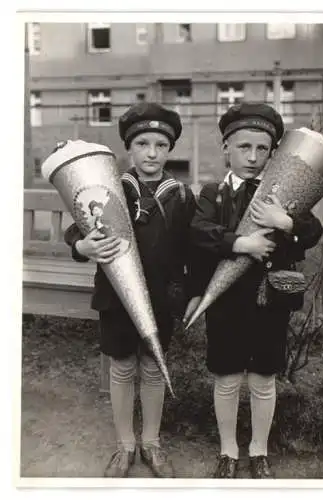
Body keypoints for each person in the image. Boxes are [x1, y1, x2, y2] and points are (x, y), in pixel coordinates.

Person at [185, 103, 323, 479]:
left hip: (268, 301)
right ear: (225, 148)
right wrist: (239, 244)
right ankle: (228, 451)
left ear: (273, 152)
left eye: (263, 149)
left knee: (264, 377)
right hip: (227, 303)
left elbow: (311, 234)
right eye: (244, 147)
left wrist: (286, 221)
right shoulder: (213, 193)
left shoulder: (282, 192)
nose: (253, 156)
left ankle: (258, 450)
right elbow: (199, 234)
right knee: (227, 376)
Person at [64, 103, 196, 478]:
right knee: (121, 367)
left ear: (170, 150)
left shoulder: (182, 196)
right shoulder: (109, 187)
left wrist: (188, 290)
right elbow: (79, 227)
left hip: (160, 297)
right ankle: (124, 445)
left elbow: (192, 248)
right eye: (142, 143)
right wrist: (82, 247)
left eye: (160, 145)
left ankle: (151, 443)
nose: (151, 153)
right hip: (116, 296)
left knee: (154, 368)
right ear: (129, 148)